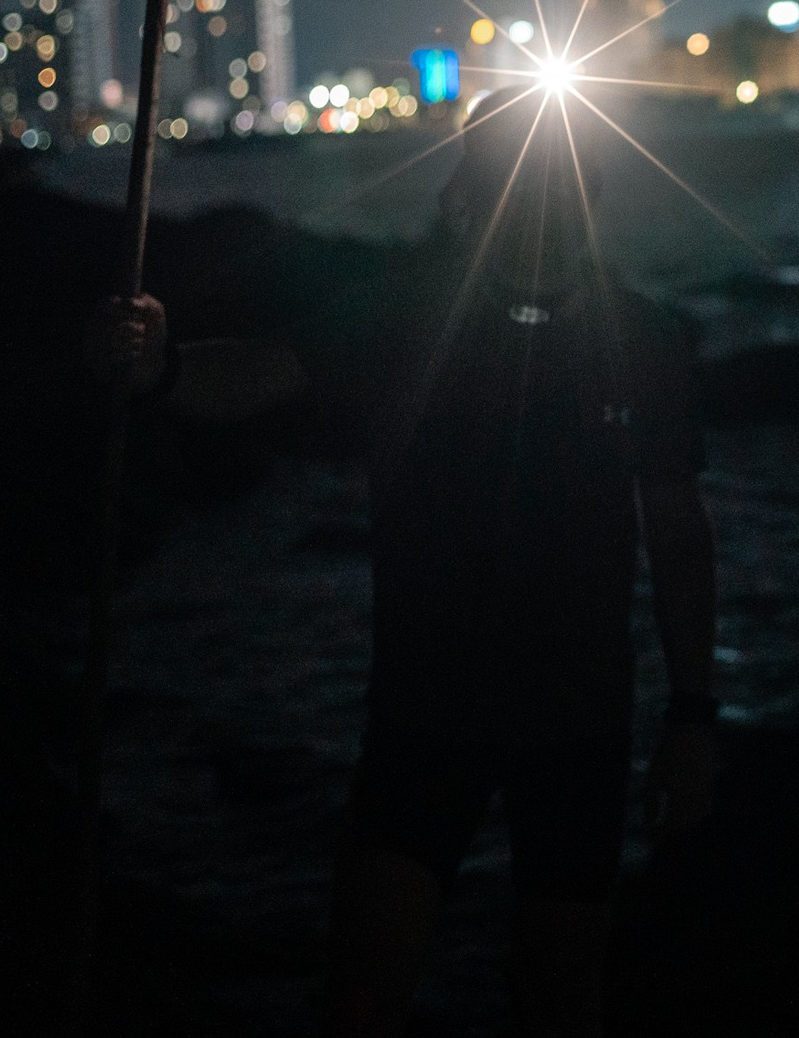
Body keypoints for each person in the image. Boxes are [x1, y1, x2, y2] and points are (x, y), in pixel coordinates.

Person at [89, 86, 718, 1037]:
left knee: (561, 995)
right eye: (510, 172)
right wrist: (162, 369)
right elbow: (268, 369)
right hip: (428, 709)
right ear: (474, 187)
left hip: (579, 719)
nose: (534, 194)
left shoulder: (647, 339)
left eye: (551, 175)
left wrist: (693, 716)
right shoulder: (407, 316)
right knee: (364, 995)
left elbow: (677, 529)